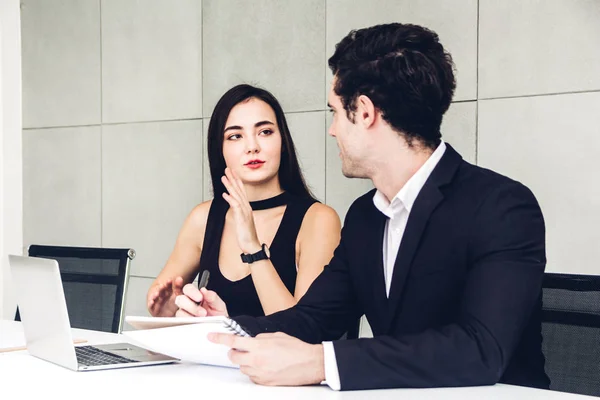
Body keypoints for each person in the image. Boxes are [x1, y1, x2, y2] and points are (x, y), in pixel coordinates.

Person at [178, 23, 550, 391]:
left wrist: (323, 362)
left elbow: (480, 350)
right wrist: (225, 328)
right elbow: (315, 318)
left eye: (335, 113)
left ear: (365, 112)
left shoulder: (502, 207)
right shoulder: (365, 217)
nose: (333, 130)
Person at [147, 84, 341, 319]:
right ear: (221, 150)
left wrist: (254, 249)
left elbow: (302, 332)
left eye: (265, 132)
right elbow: (163, 307)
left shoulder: (317, 219)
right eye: (235, 136)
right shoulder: (203, 217)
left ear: (283, 141)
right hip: (209, 356)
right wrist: (167, 311)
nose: (252, 147)